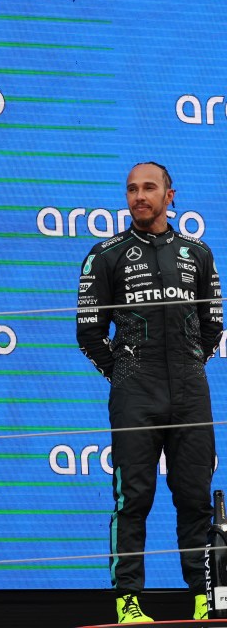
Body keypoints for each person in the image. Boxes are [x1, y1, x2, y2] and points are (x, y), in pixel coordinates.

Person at [76, 162, 223, 623]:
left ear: (170, 196)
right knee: (132, 498)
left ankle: (204, 596)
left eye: (149, 188)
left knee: (195, 496)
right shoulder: (106, 253)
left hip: (189, 390)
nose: (139, 196)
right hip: (135, 391)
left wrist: (185, 367)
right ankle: (128, 602)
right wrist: (123, 373)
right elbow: (88, 332)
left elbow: (212, 324)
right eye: (132, 189)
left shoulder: (197, 252)